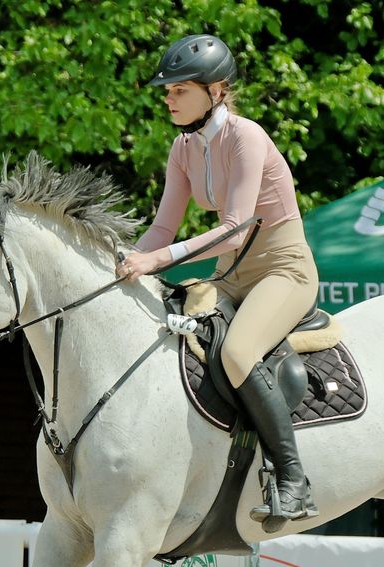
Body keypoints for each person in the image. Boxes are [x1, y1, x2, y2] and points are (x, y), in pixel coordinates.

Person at [118, 34, 319, 527]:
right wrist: (124, 262)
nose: (168, 99)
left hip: (283, 269)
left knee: (235, 352)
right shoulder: (183, 147)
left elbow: (233, 230)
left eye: (178, 90)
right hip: (229, 278)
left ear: (217, 90)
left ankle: (293, 479)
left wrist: (158, 258)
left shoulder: (246, 137)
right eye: (167, 92)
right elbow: (164, 226)